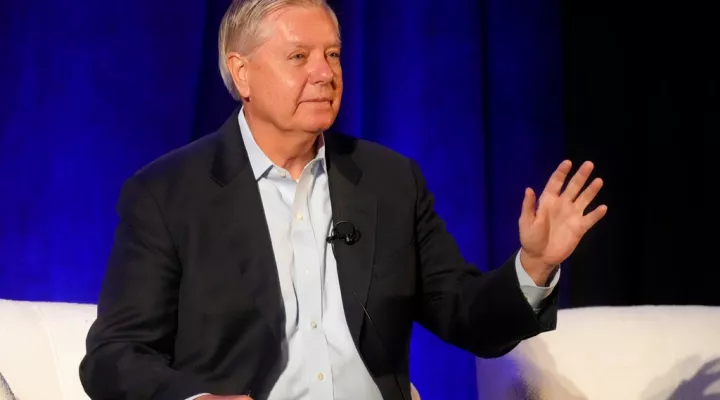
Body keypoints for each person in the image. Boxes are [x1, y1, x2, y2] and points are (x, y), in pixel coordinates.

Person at [78, 0, 607, 399]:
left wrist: (533, 266)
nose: (325, 74)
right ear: (243, 74)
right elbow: (113, 355)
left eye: (332, 54)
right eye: (299, 56)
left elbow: (466, 316)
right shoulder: (167, 193)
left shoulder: (390, 180)